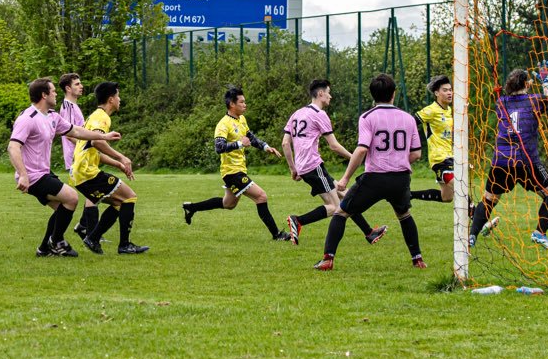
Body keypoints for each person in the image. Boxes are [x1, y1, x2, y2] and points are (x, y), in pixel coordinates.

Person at [8, 77, 123, 257]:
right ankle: (57, 242)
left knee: (61, 208)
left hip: (44, 173)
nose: (56, 94)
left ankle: (44, 248)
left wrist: (103, 137)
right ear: (44, 95)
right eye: (53, 91)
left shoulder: (52, 116)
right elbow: (13, 147)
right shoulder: (27, 118)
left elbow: (75, 131)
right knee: (71, 198)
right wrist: (23, 175)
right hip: (32, 176)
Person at [320, 74, 425, 270]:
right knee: (404, 215)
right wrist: (398, 160)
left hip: (375, 177)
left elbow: (361, 150)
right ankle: (417, 259)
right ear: (394, 94)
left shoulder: (367, 117)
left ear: (372, 95)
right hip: (400, 178)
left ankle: (328, 259)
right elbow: (417, 153)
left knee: (341, 212)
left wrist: (345, 178)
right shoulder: (408, 118)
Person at [467, 66, 548, 251]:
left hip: (501, 161)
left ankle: (472, 236)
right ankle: (539, 233)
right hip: (526, 162)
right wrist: (545, 82)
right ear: (526, 84)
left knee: (489, 200)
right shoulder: (534, 100)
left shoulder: (501, 102)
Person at [281, 79, 387, 246]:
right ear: (321, 93)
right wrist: (354, 157)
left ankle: (369, 233)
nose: (330, 96)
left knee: (346, 196)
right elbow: (334, 146)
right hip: (313, 166)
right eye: (328, 93)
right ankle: (298, 220)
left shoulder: (297, 113)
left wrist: (293, 168)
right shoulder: (319, 114)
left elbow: (285, 143)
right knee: (336, 207)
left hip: (305, 167)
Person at [181, 86, 288, 241]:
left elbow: (250, 138)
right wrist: (239, 144)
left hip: (239, 170)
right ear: (232, 104)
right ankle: (277, 235)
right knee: (261, 196)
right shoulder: (223, 124)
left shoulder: (241, 119)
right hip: (231, 172)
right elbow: (219, 148)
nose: (245, 104)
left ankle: (191, 208)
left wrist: (266, 147)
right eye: (242, 102)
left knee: (229, 204)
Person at [71, 82, 148, 255]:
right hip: (87, 172)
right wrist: (121, 157)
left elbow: (93, 149)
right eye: (118, 96)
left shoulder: (94, 116)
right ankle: (124, 245)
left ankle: (93, 238)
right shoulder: (102, 117)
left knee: (119, 203)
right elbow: (97, 142)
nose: (120, 99)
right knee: (129, 197)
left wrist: (118, 164)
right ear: (111, 99)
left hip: (80, 173)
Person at [57, 73, 102, 241]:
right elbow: (69, 133)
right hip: (77, 157)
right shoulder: (68, 106)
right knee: (95, 192)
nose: (81, 86)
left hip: (82, 155)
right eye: (77, 84)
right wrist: (87, 146)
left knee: (95, 193)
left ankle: (85, 227)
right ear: (68, 88)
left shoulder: (73, 106)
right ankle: (91, 233)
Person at [411, 76, 457, 204]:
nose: (449, 93)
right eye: (445, 90)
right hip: (439, 159)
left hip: (450, 156)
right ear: (437, 93)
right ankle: (477, 216)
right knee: (460, 187)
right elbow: (410, 122)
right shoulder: (430, 110)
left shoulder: (449, 110)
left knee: (447, 197)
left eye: (450, 90)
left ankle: (408, 195)